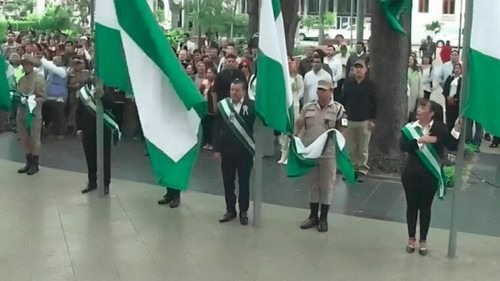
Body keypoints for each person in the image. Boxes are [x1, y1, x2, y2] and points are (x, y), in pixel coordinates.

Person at [400, 99, 457, 256]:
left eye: (423, 107)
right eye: (418, 106)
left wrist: (457, 129)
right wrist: (418, 141)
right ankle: (411, 238)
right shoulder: (410, 128)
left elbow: (452, 145)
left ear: (431, 113)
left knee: (425, 207)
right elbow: (403, 146)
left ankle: (423, 240)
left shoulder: (440, 129)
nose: (419, 109)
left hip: (429, 175)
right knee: (412, 206)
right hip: (411, 173)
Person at [294, 79, 346, 232]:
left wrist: (339, 146)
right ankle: (312, 216)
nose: (320, 93)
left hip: (328, 153)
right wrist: (294, 137)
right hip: (310, 151)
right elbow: (299, 123)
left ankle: (323, 218)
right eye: (318, 90)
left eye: (323, 90)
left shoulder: (338, 109)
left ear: (331, 91)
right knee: (312, 184)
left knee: (326, 185)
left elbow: (343, 129)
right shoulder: (308, 107)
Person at [213, 79, 255, 225]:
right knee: (228, 182)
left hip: (245, 152)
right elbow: (216, 127)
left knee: (244, 183)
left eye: (237, 90)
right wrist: (216, 149)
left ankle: (244, 211)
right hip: (227, 151)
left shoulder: (252, 106)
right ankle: (230, 210)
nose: (234, 93)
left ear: (244, 91)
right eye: (232, 90)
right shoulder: (224, 105)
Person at [340, 60, 376, 178]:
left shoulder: (370, 85)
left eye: (361, 68)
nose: (358, 70)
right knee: (351, 147)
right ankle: (351, 167)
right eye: (356, 68)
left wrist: (373, 119)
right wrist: (343, 118)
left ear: (366, 70)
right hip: (350, 120)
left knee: (363, 147)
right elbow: (342, 101)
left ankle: (362, 168)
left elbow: (375, 103)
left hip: (365, 121)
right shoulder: (348, 83)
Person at [77, 86, 114, 194]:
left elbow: (112, 105)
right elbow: (79, 110)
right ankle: (92, 182)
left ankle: (105, 184)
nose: (94, 76)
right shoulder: (85, 90)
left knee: (104, 158)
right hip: (88, 129)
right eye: (92, 74)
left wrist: (102, 95)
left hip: (104, 129)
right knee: (90, 157)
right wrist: (79, 127)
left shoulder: (108, 88)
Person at [15, 55, 46, 175]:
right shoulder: (21, 79)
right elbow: (19, 91)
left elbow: (43, 97)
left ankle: (35, 164)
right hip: (21, 111)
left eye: (27, 64)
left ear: (33, 65)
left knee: (34, 137)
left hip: (34, 113)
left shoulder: (39, 78)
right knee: (24, 137)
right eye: (23, 64)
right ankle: (28, 163)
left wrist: (32, 100)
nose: (25, 66)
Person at [277, 58, 304, 164]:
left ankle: (292, 154)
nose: (289, 65)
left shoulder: (299, 77)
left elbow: (301, 91)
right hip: (284, 106)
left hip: (295, 105)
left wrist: (294, 98)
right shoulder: (282, 77)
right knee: (283, 131)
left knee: (293, 130)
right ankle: (283, 153)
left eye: (291, 64)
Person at [41, 55, 68, 138]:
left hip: (59, 98)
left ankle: (61, 133)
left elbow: (51, 67)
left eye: (58, 60)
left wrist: (42, 59)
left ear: (62, 62)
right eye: (54, 60)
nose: (55, 61)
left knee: (59, 116)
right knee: (50, 116)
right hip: (48, 97)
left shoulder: (63, 70)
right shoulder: (51, 71)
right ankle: (50, 131)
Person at [442, 63, 462, 132]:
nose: (456, 70)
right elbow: (445, 88)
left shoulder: (461, 79)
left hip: (456, 102)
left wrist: (454, 98)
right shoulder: (450, 78)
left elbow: (461, 90)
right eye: (455, 68)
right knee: (449, 119)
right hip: (448, 101)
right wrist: (447, 97)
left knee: (455, 119)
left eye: (458, 68)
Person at [407, 54, 423, 121]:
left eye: (411, 59)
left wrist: (420, 96)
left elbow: (420, 84)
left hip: (414, 94)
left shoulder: (417, 71)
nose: (409, 61)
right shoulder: (404, 70)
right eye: (408, 59)